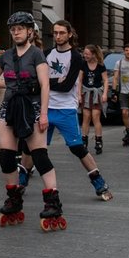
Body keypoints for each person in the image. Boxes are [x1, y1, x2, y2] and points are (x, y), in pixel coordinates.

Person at [0, 11, 64, 230]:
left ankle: (52, 203)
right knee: (6, 156)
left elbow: (45, 85)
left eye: (20, 29)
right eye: (13, 29)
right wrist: (9, 85)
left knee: (39, 156)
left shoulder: (36, 54)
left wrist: (45, 114)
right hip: (9, 108)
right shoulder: (6, 56)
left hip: (33, 108)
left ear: (30, 31)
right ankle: (14, 199)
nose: (16, 32)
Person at [36, 20, 112, 200]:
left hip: (66, 109)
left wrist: (48, 83)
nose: (58, 36)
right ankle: (20, 183)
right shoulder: (46, 54)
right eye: (55, 33)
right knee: (34, 147)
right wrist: (54, 81)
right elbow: (38, 81)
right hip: (46, 107)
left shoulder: (76, 57)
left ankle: (99, 182)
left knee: (77, 147)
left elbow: (66, 86)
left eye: (62, 33)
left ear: (69, 34)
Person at [79, 44, 108, 154]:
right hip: (86, 93)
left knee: (96, 117)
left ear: (93, 54)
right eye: (84, 54)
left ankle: (98, 140)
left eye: (87, 54)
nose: (85, 56)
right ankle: (84, 140)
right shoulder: (83, 64)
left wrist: (104, 94)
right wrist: (78, 95)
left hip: (96, 93)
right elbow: (80, 80)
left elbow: (105, 80)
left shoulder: (100, 65)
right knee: (86, 117)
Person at [113, 42, 129, 146]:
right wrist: (114, 91)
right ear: (124, 51)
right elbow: (115, 78)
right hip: (123, 91)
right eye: (126, 50)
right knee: (124, 113)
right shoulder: (119, 63)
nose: (128, 52)